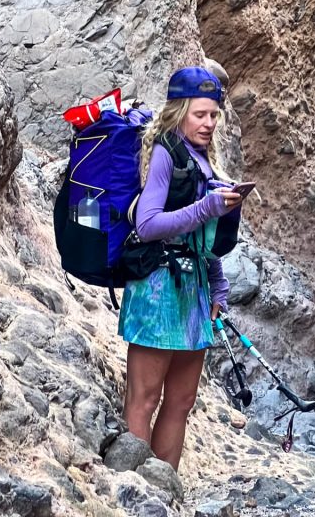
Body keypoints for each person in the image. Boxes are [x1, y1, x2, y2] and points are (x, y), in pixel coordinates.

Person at [118, 66, 242, 470]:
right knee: (145, 397)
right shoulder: (164, 152)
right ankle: (133, 488)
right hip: (157, 287)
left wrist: (218, 285)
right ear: (179, 111)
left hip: (194, 289)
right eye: (199, 114)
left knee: (182, 401)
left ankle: (164, 489)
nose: (208, 123)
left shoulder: (202, 157)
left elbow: (202, 237)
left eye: (213, 115)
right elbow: (147, 224)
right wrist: (207, 207)